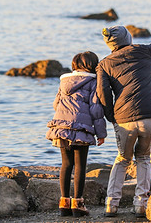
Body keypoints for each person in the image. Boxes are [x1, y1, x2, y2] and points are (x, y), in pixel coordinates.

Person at [97, 13, 151, 218]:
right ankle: (141, 205)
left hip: (125, 119)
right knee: (144, 158)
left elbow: (103, 94)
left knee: (122, 159)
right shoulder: (144, 52)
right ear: (128, 39)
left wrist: (111, 116)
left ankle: (111, 205)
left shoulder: (104, 64)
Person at [46, 51, 107, 217]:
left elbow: (56, 104)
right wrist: (101, 133)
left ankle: (64, 203)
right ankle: (78, 204)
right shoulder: (93, 81)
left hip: (61, 126)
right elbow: (96, 108)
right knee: (80, 165)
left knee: (66, 164)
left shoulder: (64, 80)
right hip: (81, 127)